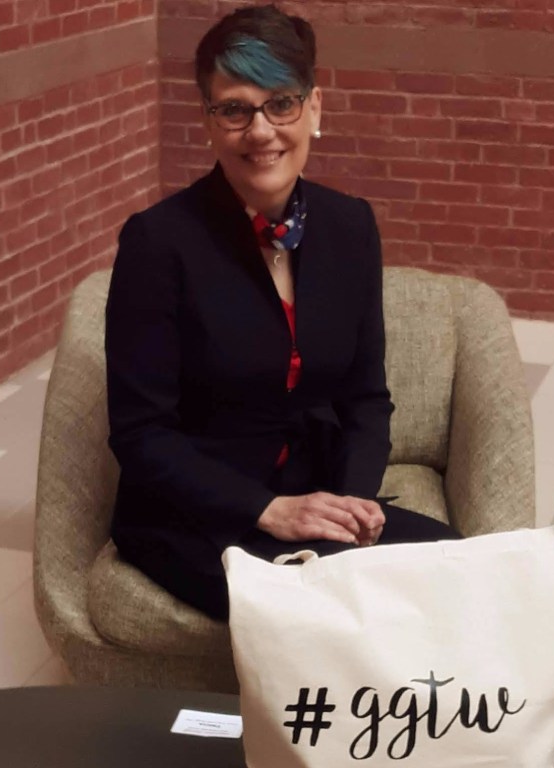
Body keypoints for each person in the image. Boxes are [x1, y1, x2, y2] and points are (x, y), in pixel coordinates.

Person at [104, 3, 458, 620]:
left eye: (281, 104)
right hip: (197, 513)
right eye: (235, 109)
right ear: (209, 123)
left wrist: (347, 504)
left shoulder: (351, 226)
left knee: (462, 573)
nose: (261, 130)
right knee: (317, 616)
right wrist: (268, 511)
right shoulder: (157, 243)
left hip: (312, 492)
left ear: (314, 109)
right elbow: (142, 436)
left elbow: (366, 398)